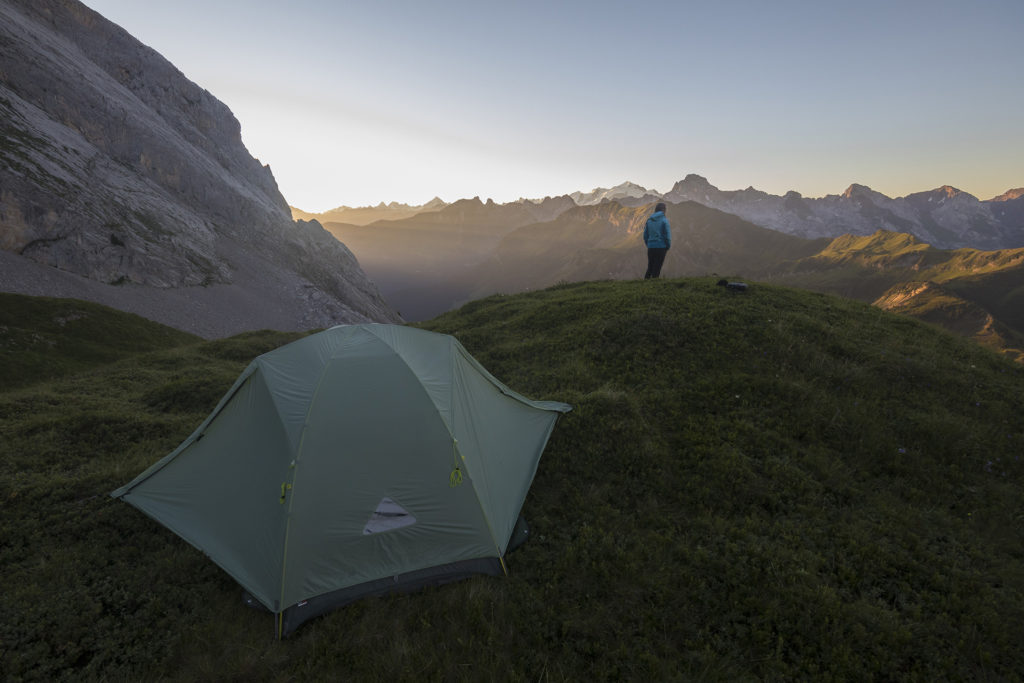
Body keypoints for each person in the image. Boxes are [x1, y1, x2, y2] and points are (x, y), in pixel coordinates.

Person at [643, 202, 671, 279]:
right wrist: (667, 246)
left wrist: (649, 244)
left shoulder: (649, 220)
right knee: (657, 268)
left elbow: (645, 235)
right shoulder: (664, 220)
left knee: (650, 267)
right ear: (663, 210)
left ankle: (644, 285)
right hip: (661, 247)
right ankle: (654, 286)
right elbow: (667, 235)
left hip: (651, 247)